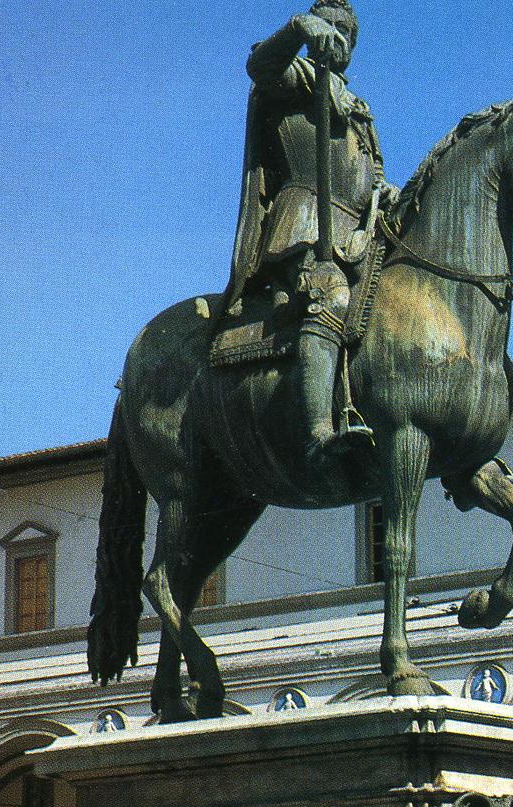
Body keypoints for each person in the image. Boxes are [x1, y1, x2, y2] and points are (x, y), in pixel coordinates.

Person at [222, 1, 388, 476]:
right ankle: (319, 433)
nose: (338, 40)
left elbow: (369, 175)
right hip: (306, 224)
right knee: (330, 293)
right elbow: (260, 66)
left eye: (347, 35)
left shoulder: (359, 109)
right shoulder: (299, 76)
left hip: (357, 228)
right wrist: (299, 28)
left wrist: (384, 192)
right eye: (331, 28)